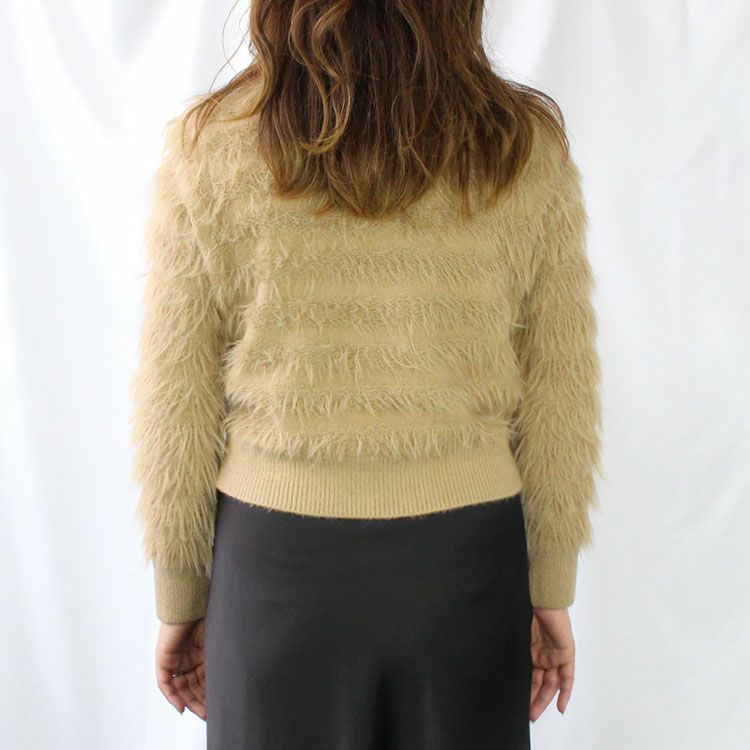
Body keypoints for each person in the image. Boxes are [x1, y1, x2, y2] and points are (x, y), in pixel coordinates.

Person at [130, 2, 602, 747]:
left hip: (275, 573)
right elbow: (559, 388)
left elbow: (176, 396)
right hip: (466, 571)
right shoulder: (520, 147)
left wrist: (180, 598)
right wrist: (548, 586)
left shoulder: (213, 145)